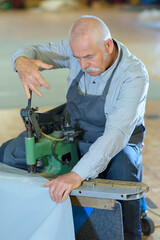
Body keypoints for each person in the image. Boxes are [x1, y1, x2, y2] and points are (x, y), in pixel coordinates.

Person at [0, 15, 149, 240]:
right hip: (74, 132)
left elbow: (116, 135)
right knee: (8, 154)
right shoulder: (77, 51)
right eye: (77, 57)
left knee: (122, 171)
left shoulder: (134, 74)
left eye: (89, 57)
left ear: (108, 46)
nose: (82, 64)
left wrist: (75, 174)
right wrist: (21, 62)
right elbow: (30, 50)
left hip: (118, 141)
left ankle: (130, 233)